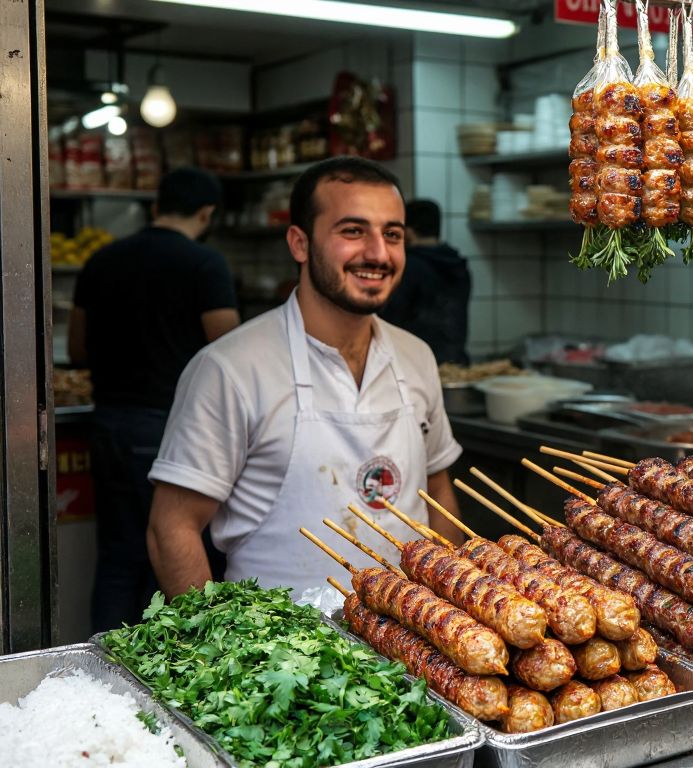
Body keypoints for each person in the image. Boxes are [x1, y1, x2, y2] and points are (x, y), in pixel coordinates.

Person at [146, 157, 465, 599]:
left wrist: (453, 603)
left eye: (392, 234)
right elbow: (172, 527)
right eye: (352, 231)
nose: (377, 253)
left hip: (405, 648)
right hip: (274, 656)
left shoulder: (416, 357)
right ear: (299, 243)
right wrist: (216, 653)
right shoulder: (230, 368)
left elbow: (436, 489)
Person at [70, 166, 241, 631]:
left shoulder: (101, 260)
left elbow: (77, 349)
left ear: (155, 206)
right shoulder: (205, 265)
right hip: (171, 432)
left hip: (108, 425)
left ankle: (100, 671)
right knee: (168, 553)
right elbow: (232, 354)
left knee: (117, 558)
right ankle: (148, 679)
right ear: (207, 213)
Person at [378, 199, 471, 364]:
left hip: (415, 363)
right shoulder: (458, 265)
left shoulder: (409, 267)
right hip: (454, 361)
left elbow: (389, 319)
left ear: (408, 232)